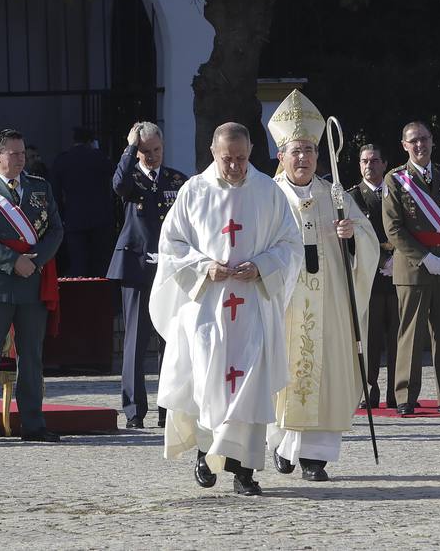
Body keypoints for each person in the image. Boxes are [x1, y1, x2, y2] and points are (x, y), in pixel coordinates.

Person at [150, 122, 303, 497]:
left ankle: (244, 469)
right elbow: (171, 245)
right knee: (207, 384)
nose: (234, 166)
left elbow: (290, 244)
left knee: (249, 388)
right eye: (226, 159)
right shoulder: (193, 191)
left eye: (241, 158)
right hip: (207, 309)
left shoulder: (269, 192)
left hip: (252, 307)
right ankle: (206, 452)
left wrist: (263, 265)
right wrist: (205, 267)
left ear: (251, 151)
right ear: (213, 152)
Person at [267, 91, 378, 482]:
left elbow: (368, 244)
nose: (304, 158)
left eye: (310, 150)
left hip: (328, 302)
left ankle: (315, 458)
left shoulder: (334, 194)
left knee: (325, 370)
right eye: (296, 150)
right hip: (285, 302)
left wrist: (352, 237)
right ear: (281, 155)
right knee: (284, 374)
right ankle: (282, 442)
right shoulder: (269, 196)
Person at [0, 128, 65, 441]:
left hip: (32, 280)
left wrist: (34, 262)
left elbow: (56, 231)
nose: (21, 159)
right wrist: (13, 260)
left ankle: (33, 423)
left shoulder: (40, 188)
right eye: (14, 153)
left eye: (23, 153)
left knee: (31, 356)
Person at [383, 121, 440, 416]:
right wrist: (425, 257)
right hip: (413, 267)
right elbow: (394, 229)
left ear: (432, 141)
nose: (419, 145)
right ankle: (406, 395)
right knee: (411, 333)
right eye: (413, 141)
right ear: (404, 146)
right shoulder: (395, 180)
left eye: (424, 139)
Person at [108, 121, 187, 429]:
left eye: (156, 150)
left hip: (170, 269)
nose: (152, 156)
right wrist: (130, 148)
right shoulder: (131, 179)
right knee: (136, 342)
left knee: (171, 340)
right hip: (137, 268)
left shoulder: (177, 180)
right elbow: (118, 184)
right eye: (145, 151)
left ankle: (169, 408)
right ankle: (134, 411)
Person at [349, 142, 398, 410]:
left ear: (384, 164)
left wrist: (396, 260)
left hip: (399, 274)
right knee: (370, 337)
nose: (370, 165)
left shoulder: (397, 194)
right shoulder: (352, 197)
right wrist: (377, 260)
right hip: (368, 277)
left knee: (397, 338)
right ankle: (370, 390)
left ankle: (396, 391)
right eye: (365, 161)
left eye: (375, 161)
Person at [50, 127, 115, 276]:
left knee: (79, 264)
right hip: (100, 219)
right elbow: (115, 173)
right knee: (100, 264)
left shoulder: (63, 159)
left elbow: (55, 192)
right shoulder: (97, 157)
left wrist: (60, 216)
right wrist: (97, 151)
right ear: (91, 141)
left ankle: (81, 296)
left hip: (74, 219)